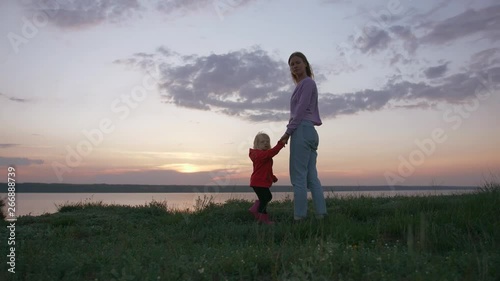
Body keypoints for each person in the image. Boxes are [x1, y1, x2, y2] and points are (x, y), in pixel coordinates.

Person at [280, 51, 327, 221]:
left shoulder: (307, 83)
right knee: (311, 177)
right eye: (291, 64)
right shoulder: (303, 85)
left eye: (297, 62)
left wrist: (287, 133)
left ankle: (299, 217)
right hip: (310, 132)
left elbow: (299, 111)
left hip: (302, 130)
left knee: (298, 177)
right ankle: (321, 215)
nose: (294, 66)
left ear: (305, 64)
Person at [248, 132, 286, 224]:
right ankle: (263, 219)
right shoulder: (258, 154)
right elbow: (272, 152)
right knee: (265, 199)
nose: (265, 143)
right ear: (257, 144)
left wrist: (272, 177)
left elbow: (265, 169)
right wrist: (280, 144)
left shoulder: (264, 155)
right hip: (258, 182)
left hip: (261, 181)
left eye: (267, 141)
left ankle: (255, 209)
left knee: (266, 197)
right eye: (262, 142)